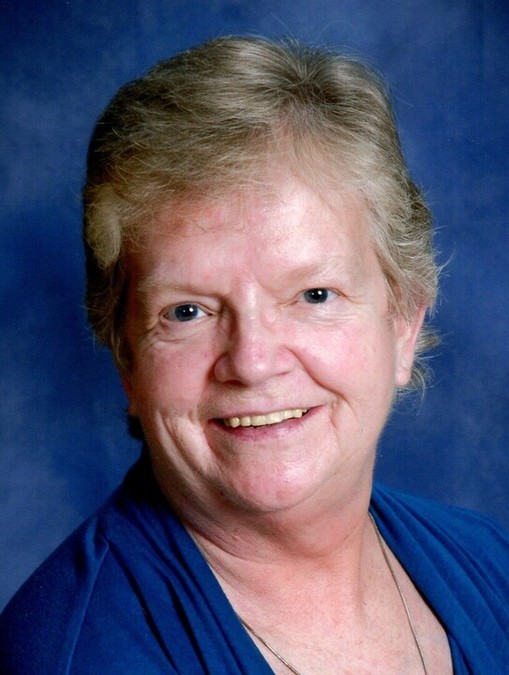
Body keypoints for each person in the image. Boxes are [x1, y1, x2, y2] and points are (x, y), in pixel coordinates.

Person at [0, 35, 507, 675]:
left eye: (314, 295)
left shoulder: (493, 565)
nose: (253, 362)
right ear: (126, 356)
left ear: (403, 323)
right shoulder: (74, 656)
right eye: (187, 311)